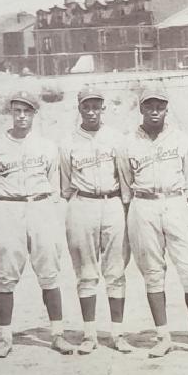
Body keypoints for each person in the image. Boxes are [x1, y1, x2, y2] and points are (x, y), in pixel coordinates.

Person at [117, 85, 188, 359]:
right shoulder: (128, 142)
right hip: (143, 204)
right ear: (141, 108)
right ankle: (162, 336)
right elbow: (126, 182)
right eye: (149, 105)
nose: (155, 111)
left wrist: (182, 205)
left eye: (160, 106)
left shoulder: (182, 139)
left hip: (175, 202)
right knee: (152, 272)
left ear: (166, 108)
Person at [0, 90, 76, 358]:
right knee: (5, 274)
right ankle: (5, 337)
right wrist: (3, 207)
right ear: (10, 113)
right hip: (8, 207)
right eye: (17, 111)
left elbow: (55, 183)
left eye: (27, 111)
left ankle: (57, 334)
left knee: (49, 271)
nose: (21, 116)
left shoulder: (47, 146)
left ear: (35, 114)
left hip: (41, 205)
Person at [58, 86, 131, 355]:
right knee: (86, 272)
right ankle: (89, 334)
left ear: (103, 108)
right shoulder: (68, 142)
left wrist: (123, 206)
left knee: (115, 271)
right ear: (79, 109)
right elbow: (65, 183)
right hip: (82, 202)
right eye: (86, 106)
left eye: (96, 106)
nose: (91, 111)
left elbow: (124, 177)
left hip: (112, 203)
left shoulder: (116, 138)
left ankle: (117, 333)